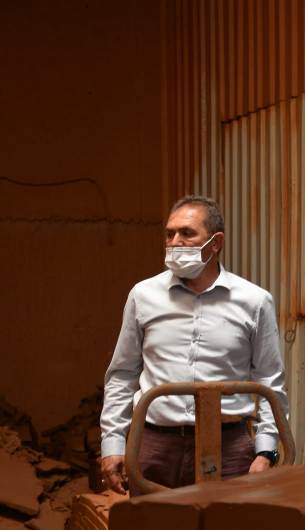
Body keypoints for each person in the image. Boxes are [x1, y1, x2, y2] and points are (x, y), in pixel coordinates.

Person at [100, 196, 289, 492]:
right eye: (169, 234)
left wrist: (266, 450)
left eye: (187, 233)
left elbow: (270, 379)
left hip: (228, 447)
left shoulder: (254, 301)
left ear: (216, 243)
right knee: (152, 521)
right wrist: (112, 444)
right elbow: (122, 374)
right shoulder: (143, 296)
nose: (175, 242)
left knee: (226, 521)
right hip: (155, 444)